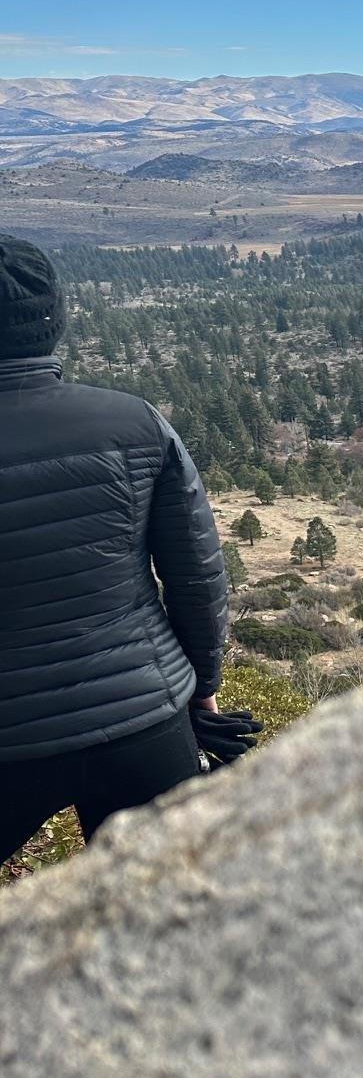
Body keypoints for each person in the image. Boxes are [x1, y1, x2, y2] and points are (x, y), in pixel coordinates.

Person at [0, 235, 230, 860]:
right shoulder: (134, 422)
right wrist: (202, 689)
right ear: (55, 321)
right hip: (142, 716)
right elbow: (197, 576)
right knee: (170, 916)